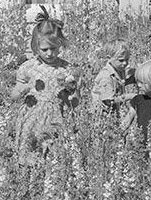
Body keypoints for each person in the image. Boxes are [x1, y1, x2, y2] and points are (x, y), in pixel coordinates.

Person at [12, 15, 79, 162]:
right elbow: (14, 95)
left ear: (60, 45)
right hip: (32, 118)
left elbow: (74, 102)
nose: (49, 53)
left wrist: (72, 93)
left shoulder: (66, 69)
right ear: (36, 46)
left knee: (56, 158)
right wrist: (22, 90)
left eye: (54, 48)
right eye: (44, 49)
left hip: (56, 118)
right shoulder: (28, 67)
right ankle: (28, 179)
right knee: (30, 155)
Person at [90, 41, 136, 115]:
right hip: (102, 114)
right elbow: (109, 101)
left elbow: (120, 84)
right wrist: (129, 96)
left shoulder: (119, 70)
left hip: (113, 111)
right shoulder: (106, 77)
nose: (125, 63)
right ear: (109, 58)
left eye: (127, 59)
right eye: (121, 60)